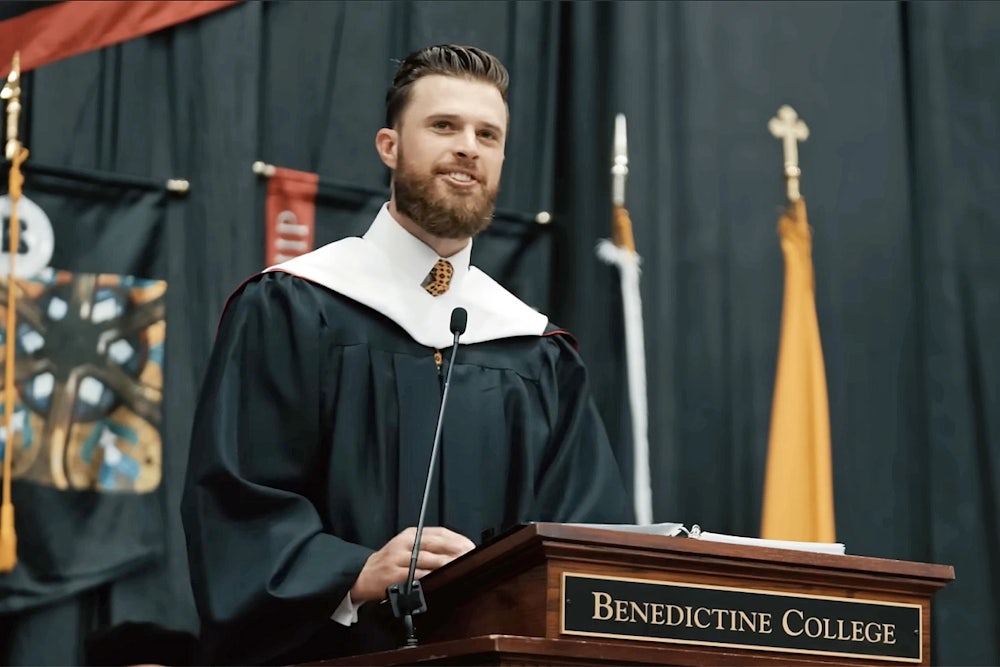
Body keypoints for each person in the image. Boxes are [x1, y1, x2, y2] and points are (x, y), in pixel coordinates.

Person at [181, 44, 633, 665]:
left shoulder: (535, 352)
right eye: (443, 126)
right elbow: (237, 502)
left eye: (487, 134)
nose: (468, 147)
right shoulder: (295, 306)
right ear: (390, 146)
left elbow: (583, 546)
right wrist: (352, 574)